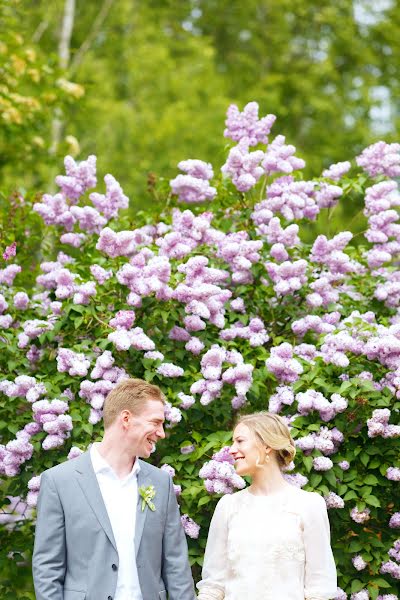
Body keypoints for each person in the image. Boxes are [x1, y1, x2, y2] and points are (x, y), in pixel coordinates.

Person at [33, 378, 196, 600]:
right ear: (126, 419)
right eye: (156, 422)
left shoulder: (160, 482)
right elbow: (47, 569)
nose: (161, 433)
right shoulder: (59, 482)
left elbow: (176, 565)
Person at [197, 411, 337, 600]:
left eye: (240, 441)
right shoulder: (228, 506)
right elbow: (213, 586)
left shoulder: (309, 505)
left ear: (267, 445)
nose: (231, 449)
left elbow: (319, 588)